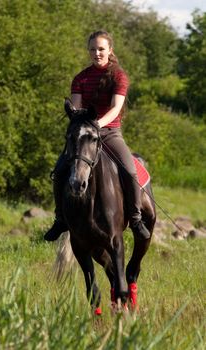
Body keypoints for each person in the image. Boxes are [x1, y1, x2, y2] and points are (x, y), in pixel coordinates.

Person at [44, 30, 150, 241]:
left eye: (101, 49)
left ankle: (136, 219)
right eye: (92, 49)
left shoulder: (119, 76)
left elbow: (116, 108)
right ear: (89, 51)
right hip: (84, 135)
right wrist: (81, 125)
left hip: (110, 132)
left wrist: (96, 125)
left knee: (130, 170)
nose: (97, 53)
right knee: (59, 170)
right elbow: (75, 108)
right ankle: (60, 219)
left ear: (110, 50)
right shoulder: (80, 78)